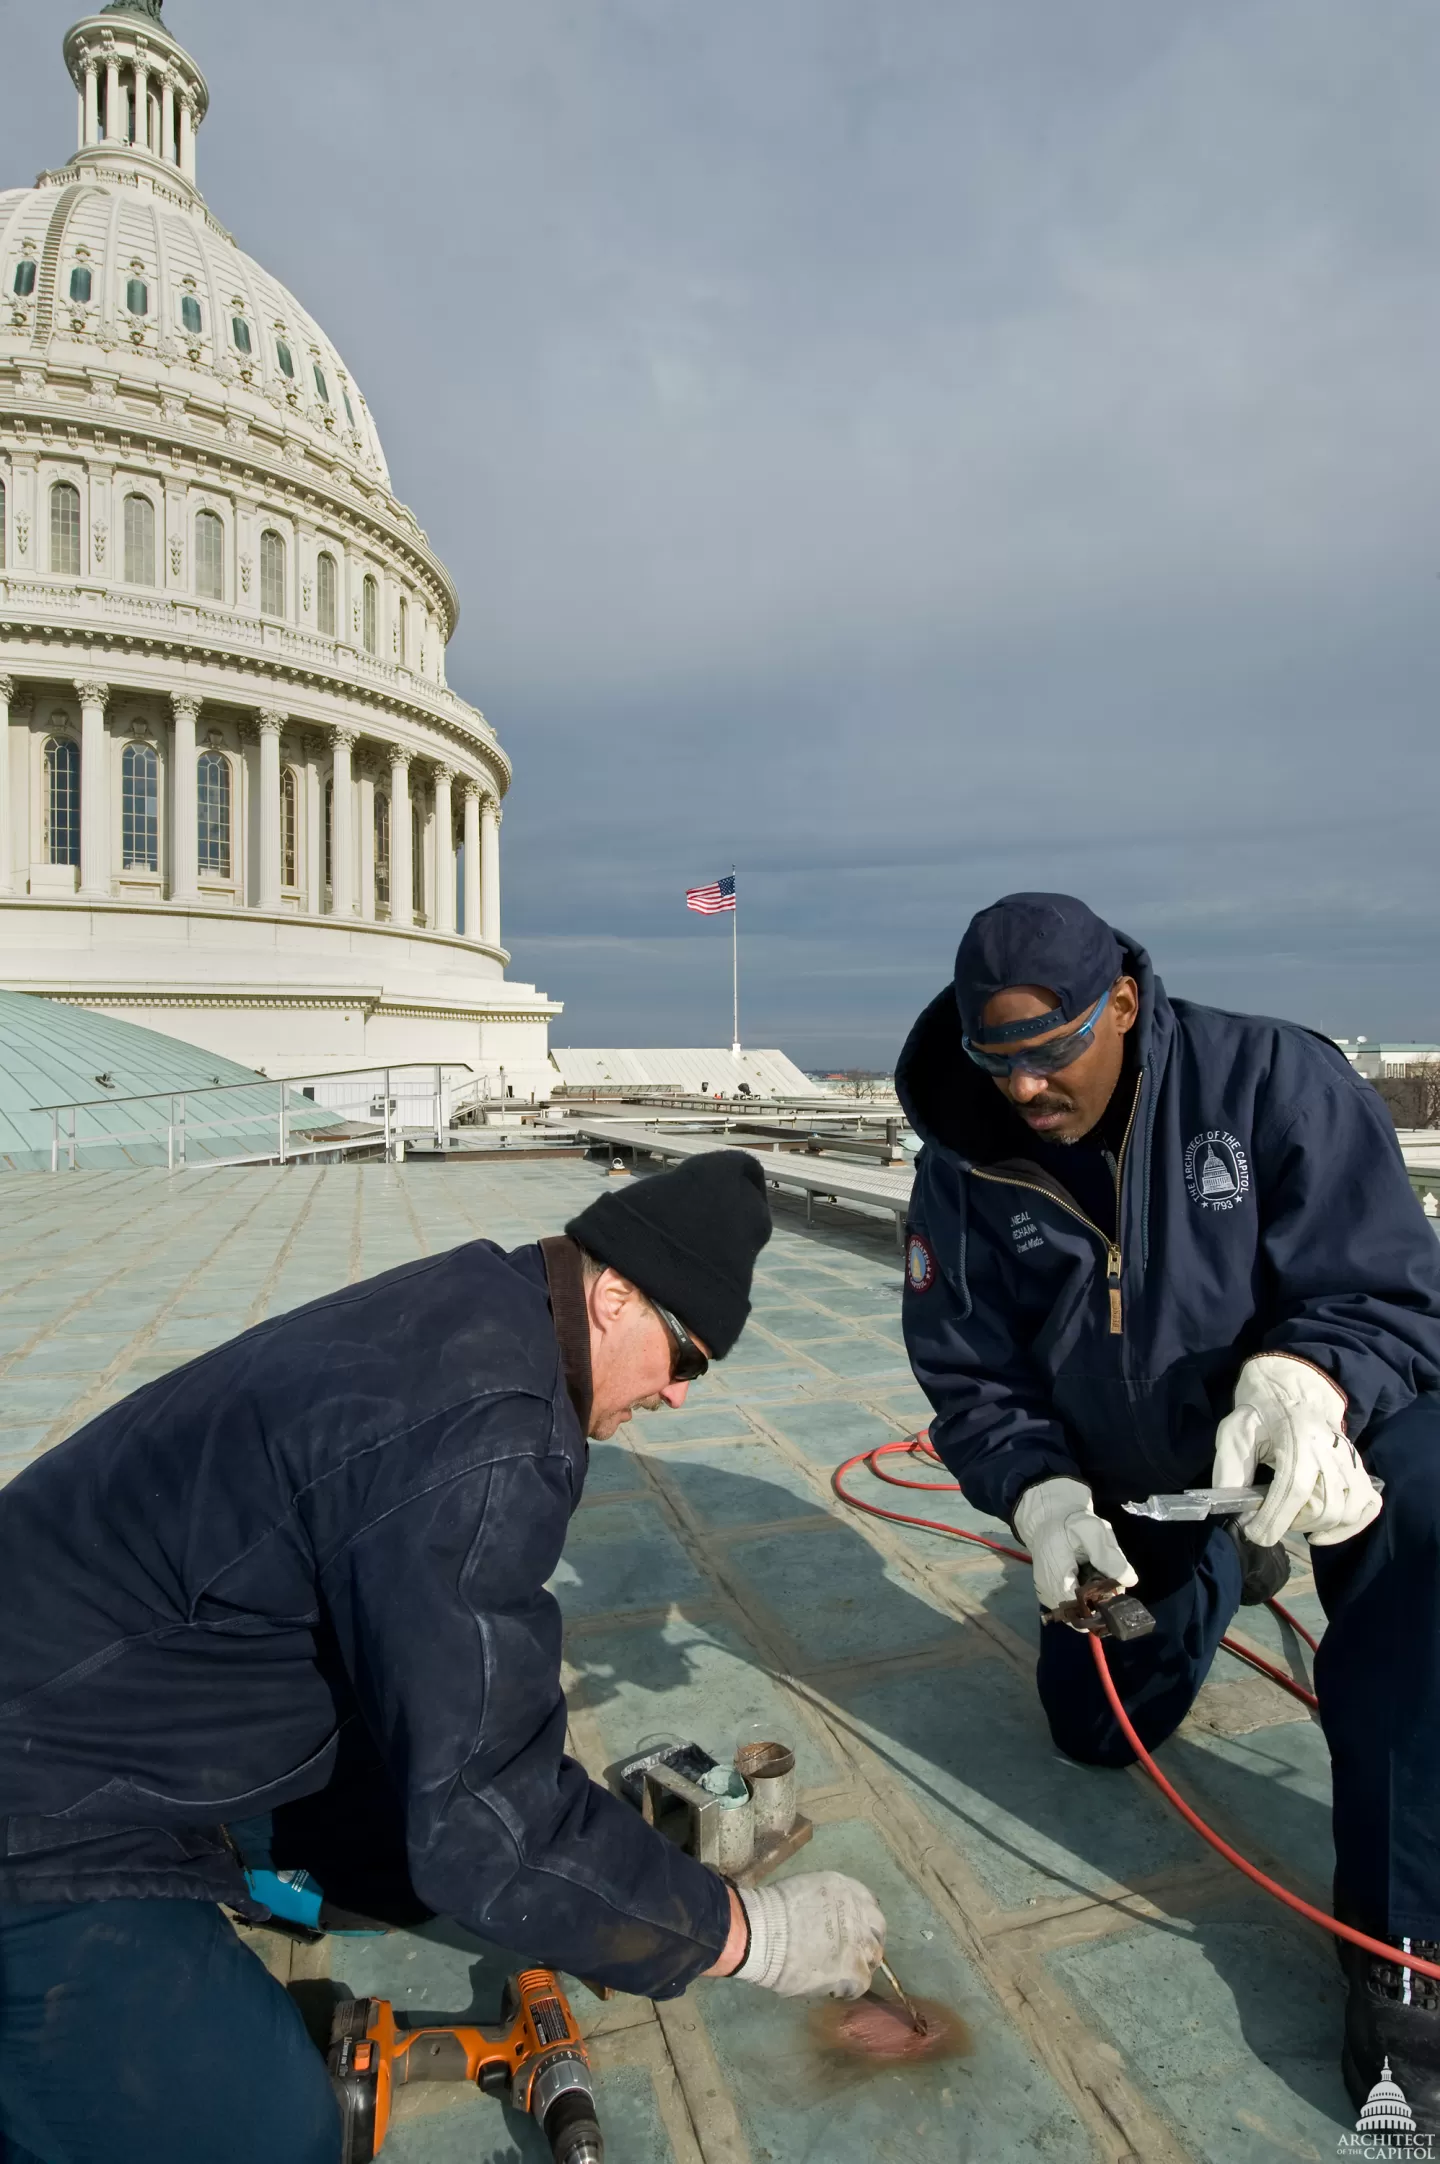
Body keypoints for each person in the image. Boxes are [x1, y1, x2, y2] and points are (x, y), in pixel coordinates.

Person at [0, 1151, 885, 2164]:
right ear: (613, 1297)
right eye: (684, 1357)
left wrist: (595, 1890)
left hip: (115, 1668)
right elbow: (486, 1814)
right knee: (273, 2136)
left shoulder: (483, 1297)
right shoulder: (489, 1444)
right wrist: (746, 1936)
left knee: (412, 1862)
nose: (681, 1396)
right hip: (39, 1789)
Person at [897, 892, 1440, 2128]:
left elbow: (1393, 1290)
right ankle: (1212, 1572)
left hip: (1318, 1435)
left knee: (1428, 1515)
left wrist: (1302, 1384)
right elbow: (972, 1369)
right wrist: (1041, 1501)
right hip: (1139, 1471)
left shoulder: (1272, 1083)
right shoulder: (966, 1159)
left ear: (1124, 1006)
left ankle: (1401, 1943)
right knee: (1091, 1726)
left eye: (1050, 1052)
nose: (1025, 1088)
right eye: (998, 1058)